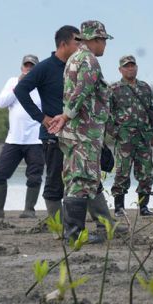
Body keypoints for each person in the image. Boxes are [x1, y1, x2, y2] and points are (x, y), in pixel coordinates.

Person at [48, 20, 113, 242]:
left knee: (82, 179)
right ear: (95, 40)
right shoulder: (89, 60)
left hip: (77, 131)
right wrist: (66, 116)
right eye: (103, 40)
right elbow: (81, 91)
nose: (105, 45)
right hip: (83, 132)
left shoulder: (73, 58)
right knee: (81, 180)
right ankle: (74, 235)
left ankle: (101, 228)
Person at [14, 25, 80, 219]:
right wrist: (41, 118)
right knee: (54, 180)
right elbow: (20, 90)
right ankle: (57, 224)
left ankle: (81, 220)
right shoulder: (45, 67)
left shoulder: (77, 66)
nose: (81, 46)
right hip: (53, 135)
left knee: (82, 178)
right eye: (77, 41)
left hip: (78, 134)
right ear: (63, 44)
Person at [0, 55, 44, 219]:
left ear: (37, 69)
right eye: (26, 66)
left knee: (34, 176)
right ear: (21, 67)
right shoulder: (12, 81)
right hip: (13, 140)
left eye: (32, 66)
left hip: (36, 140)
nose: (28, 68)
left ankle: (29, 210)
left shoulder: (42, 85)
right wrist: (18, 86)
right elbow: (1, 102)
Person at [107, 55, 153, 217]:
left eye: (132, 66)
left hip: (144, 137)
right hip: (124, 138)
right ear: (120, 70)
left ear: (136, 68)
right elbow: (106, 115)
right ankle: (119, 208)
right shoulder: (114, 89)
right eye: (126, 66)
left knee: (146, 172)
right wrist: (115, 132)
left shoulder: (145, 88)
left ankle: (144, 208)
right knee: (122, 172)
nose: (130, 69)